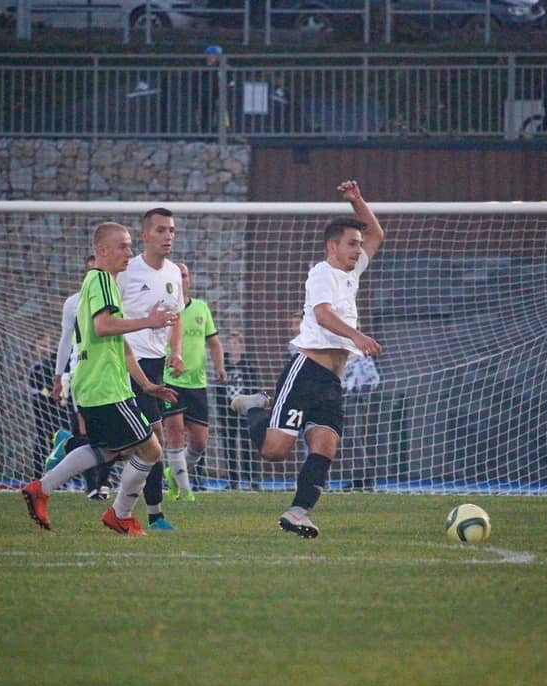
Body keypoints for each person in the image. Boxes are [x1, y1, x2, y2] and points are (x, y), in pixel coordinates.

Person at [230, 180, 384, 539]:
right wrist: (357, 336)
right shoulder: (322, 273)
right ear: (332, 246)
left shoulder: (352, 274)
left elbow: (376, 233)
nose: (358, 249)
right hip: (306, 371)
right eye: (351, 243)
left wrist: (357, 200)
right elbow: (323, 315)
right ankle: (254, 406)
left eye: (358, 244)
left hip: (332, 380)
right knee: (274, 452)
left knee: (326, 445)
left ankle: (298, 512)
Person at [21, 222, 178, 536]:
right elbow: (104, 327)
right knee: (150, 450)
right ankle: (120, 514)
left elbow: (122, 347)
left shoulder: (98, 284)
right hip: (104, 388)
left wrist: (147, 385)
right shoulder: (103, 280)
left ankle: (42, 488)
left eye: (130, 246)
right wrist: (149, 320)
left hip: (97, 386)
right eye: (123, 246)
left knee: (110, 450)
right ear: (102, 250)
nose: (129, 252)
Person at [115, 207, 186, 531]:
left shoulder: (173, 272)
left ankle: (76, 447)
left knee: (141, 444)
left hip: (156, 366)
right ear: (144, 235)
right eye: (160, 230)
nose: (168, 236)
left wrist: (176, 351)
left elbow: (177, 316)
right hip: (129, 363)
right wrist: (146, 323)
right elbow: (108, 320)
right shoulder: (127, 271)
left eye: (171, 230)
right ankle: (150, 514)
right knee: (152, 441)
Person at [44, 254, 110, 501]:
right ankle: (92, 485)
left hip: (110, 372)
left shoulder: (115, 296)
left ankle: (102, 481)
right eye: (92, 270)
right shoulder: (73, 303)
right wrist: (58, 377)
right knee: (85, 431)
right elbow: (65, 341)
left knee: (113, 432)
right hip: (82, 371)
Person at [161, 262, 226, 501]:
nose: (182, 279)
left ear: (189, 280)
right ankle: (185, 490)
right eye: (177, 275)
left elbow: (214, 342)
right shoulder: (164, 309)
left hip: (197, 384)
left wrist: (220, 367)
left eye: (185, 275)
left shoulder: (201, 307)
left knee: (199, 442)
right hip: (170, 380)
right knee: (175, 433)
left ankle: (175, 473)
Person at [217, 330, 262, 491]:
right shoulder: (223, 365)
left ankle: (252, 479)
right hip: (228, 412)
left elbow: (254, 389)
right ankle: (232, 480)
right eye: (230, 343)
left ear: (241, 346)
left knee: (247, 445)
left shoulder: (248, 366)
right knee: (229, 446)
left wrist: (252, 410)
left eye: (236, 343)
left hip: (245, 412)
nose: (233, 346)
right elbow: (218, 389)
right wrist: (222, 409)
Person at [26, 333, 73, 479]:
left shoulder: (57, 364)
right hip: (42, 411)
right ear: (35, 348)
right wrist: (49, 393)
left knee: (63, 441)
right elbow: (36, 388)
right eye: (41, 345)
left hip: (60, 410)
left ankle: (66, 477)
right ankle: (38, 476)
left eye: (46, 345)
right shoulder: (35, 369)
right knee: (40, 441)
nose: (44, 348)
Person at [339, 352, 381, 490]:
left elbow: (373, 378)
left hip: (353, 398)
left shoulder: (362, 356)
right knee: (344, 440)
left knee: (352, 437)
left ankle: (365, 478)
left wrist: (361, 394)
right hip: (336, 396)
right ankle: (357, 478)